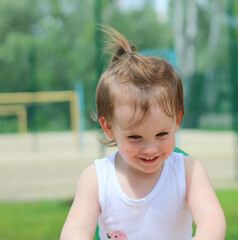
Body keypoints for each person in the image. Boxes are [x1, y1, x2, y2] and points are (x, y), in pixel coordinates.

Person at [60, 26, 226, 240]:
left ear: (178, 120)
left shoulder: (188, 172)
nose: (150, 148)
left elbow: (210, 215)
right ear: (108, 127)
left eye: (162, 134)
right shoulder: (96, 179)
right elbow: (77, 228)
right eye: (135, 137)